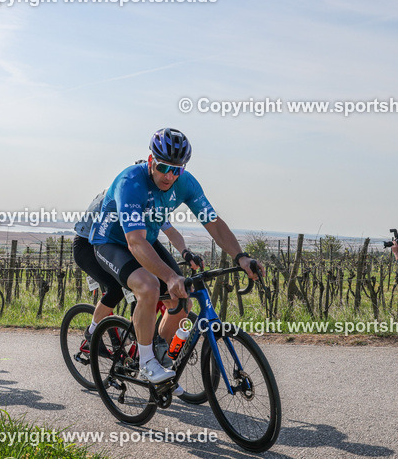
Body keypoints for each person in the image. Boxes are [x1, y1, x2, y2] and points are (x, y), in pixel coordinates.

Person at [88, 128, 261, 383]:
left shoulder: (186, 183)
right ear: (150, 161)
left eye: (176, 170)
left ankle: (155, 352)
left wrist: (242, 257)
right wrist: (169, 276)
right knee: (149, 287)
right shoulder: (130, 182)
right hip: (112, 242)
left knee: (183, 302)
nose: (169, 176)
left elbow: (213, 223)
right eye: (163, 167)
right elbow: (134, 242)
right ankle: (146, 362)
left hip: (144, 239)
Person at [72, 188, 203, 368]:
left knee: (150, 282)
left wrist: (185, 252)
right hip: (88, 246)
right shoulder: (121, 196)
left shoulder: (148, 200)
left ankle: (142, 338)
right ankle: (92, 332)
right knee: (116, 288)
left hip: (122, 241)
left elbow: (169, 231)